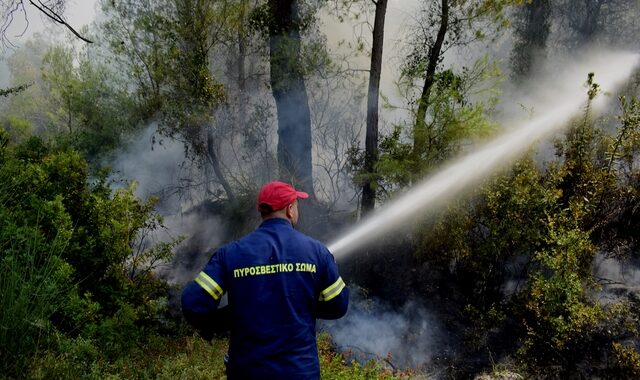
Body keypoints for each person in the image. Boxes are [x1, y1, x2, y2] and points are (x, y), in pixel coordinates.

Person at [181, 181, 349, 379]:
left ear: (263, 211)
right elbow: (339, 305)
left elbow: (193, 304)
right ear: (289, 210)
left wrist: (230, 317)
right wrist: (305, 306)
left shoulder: (231, 254)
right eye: (296, 204)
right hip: (300, 372)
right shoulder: (317, 252)